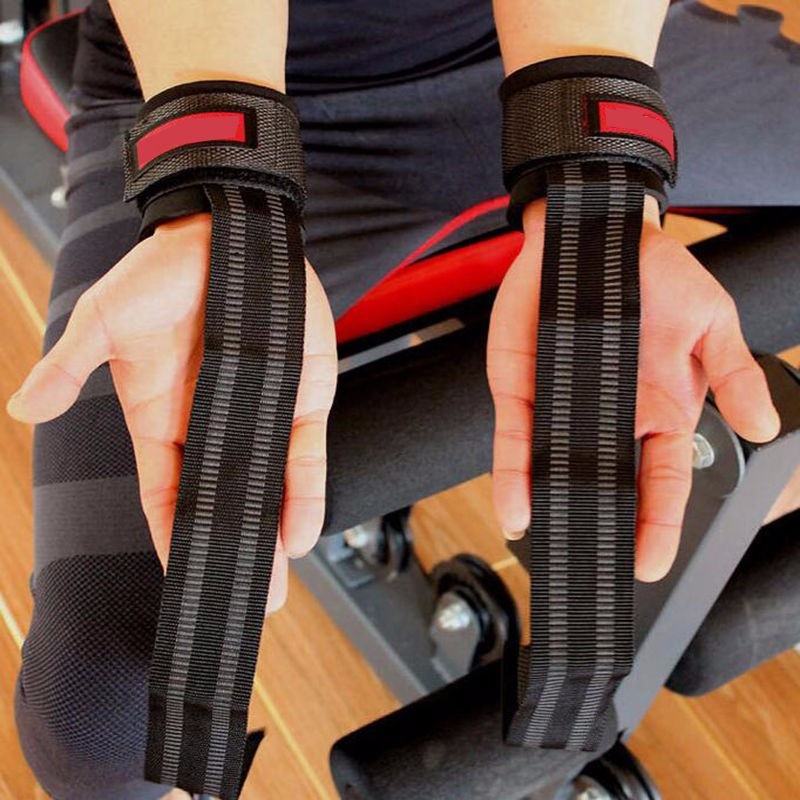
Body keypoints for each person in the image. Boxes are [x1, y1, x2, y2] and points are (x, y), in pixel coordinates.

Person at [6, 1, 799, 797]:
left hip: (563, 39)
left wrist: (596, 173)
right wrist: (226, 182)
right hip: (225, 80)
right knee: (104, 721)